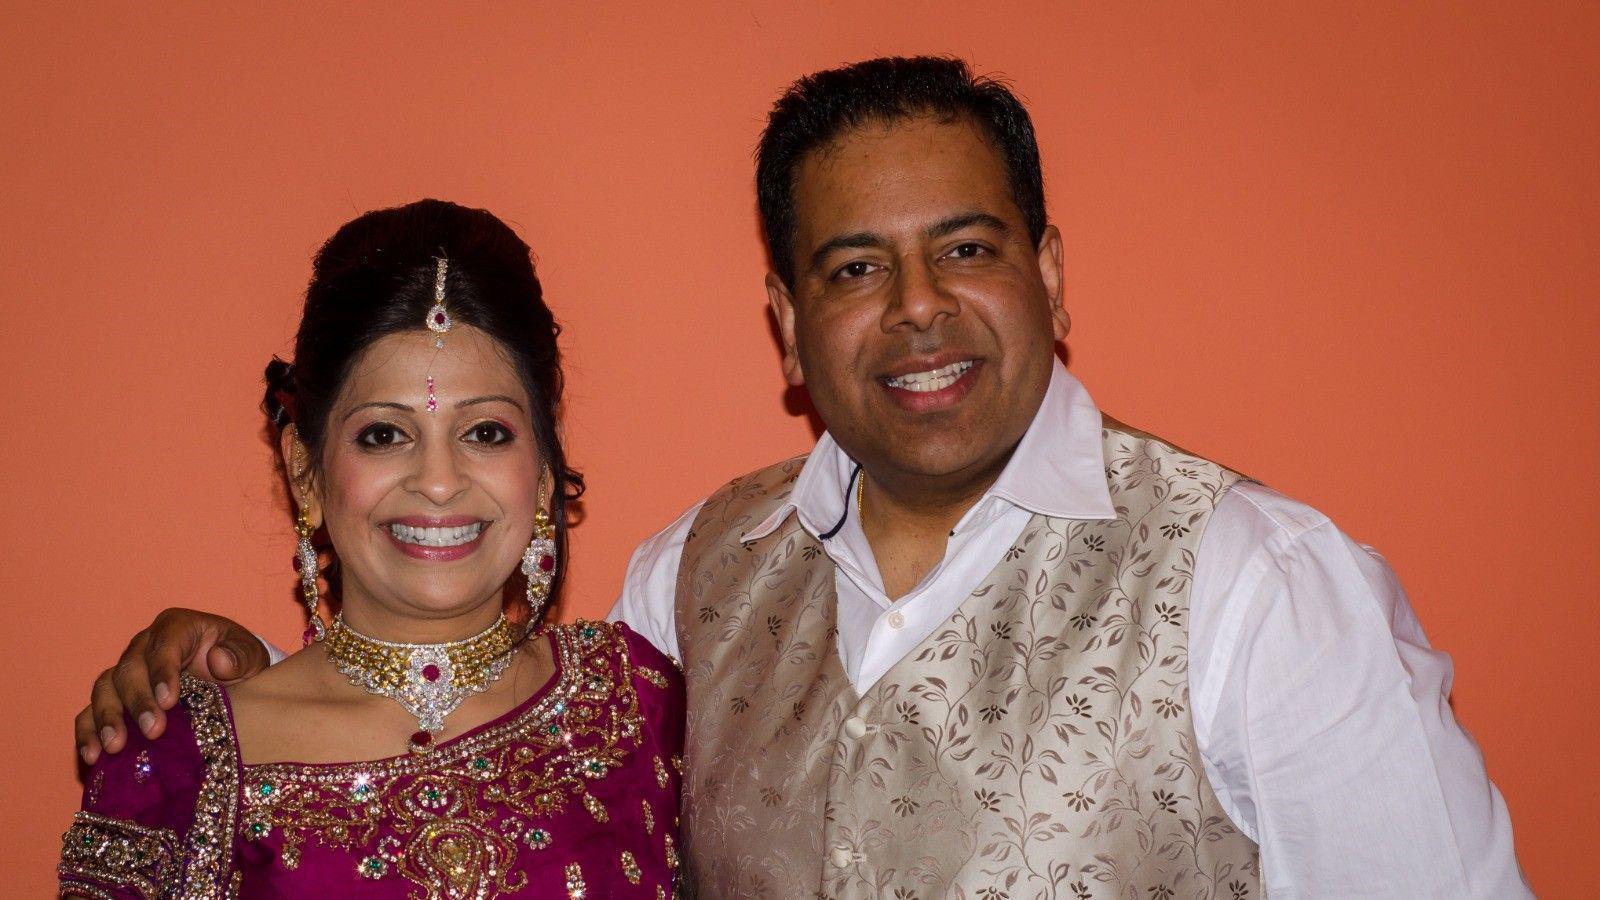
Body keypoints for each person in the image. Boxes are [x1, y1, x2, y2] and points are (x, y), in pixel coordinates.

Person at [75, 59, 1529, 899]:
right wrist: (221, 671)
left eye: (965, 248)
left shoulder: (1255, 584)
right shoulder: (685, 595)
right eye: (854, 268)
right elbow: (437, 711)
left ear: (1050, 273)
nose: (917, 310)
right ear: (786, 322)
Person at [60, 200, 684, 898]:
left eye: (486, 433)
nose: (440, 482)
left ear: (542, 470)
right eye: (384, 435)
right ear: (306, 470)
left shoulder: (637, 703)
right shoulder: (176, 760)